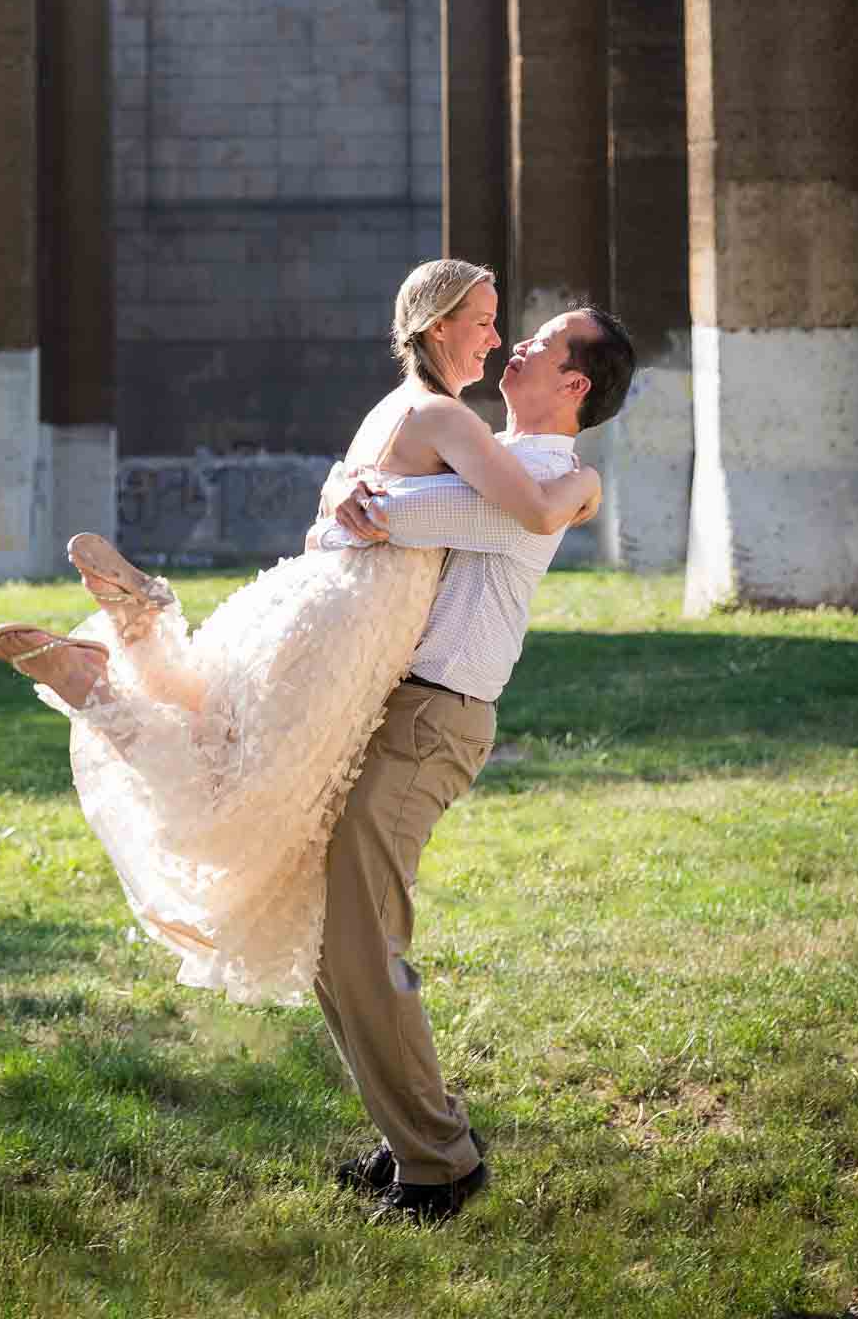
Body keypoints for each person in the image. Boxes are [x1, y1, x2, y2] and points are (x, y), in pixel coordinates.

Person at [0, 261, 601, 1010]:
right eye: (484, 322)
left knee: (217, 723)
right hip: (352, 625)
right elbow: (521, 509)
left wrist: (340, 492)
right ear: (440, 328)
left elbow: (357, 497)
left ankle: (139, 629)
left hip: (301, 595)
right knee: (234, 809)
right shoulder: (450, 419)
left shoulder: (393, 407)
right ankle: (96, 681)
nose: (496, 340)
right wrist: (581, 492)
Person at [313, 297, 635, 1225]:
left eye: (539, 341)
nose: (517, 343)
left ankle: (439, 1164)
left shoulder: (545, 480)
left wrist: (347, 489)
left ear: (572, 383)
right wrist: (349, 491)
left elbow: (379, 515)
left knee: (363, 942)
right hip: (389, 711)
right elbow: (368, 507)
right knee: (341, 947)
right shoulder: (495, 460)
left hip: (433, 722)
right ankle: (414, 1134)